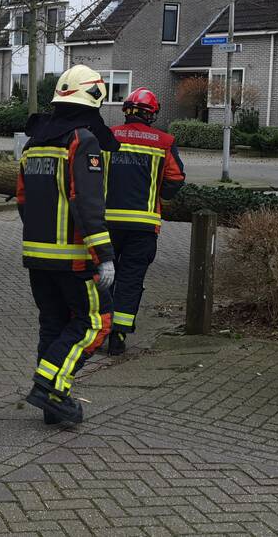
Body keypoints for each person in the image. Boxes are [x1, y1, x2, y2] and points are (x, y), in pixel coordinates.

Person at [17, 65, 118, 425]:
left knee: (54, 325)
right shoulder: (82, 141)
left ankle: (53, 404)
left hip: (37, 256)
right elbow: (86, 202)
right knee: (95, 323)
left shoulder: (34, 143)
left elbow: (22, 200)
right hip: (75, 258)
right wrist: (103, 255)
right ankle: (49, 388)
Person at [103, 88, 186, 355]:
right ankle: (119, 334)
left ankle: (99, 328)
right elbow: (175, 178)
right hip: (143, 226)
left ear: (126, 110)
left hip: (106, 224)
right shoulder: (164, 141)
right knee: (131, 278)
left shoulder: (107, 137)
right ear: (151, 114)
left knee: (104, 276)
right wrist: (160, 193)